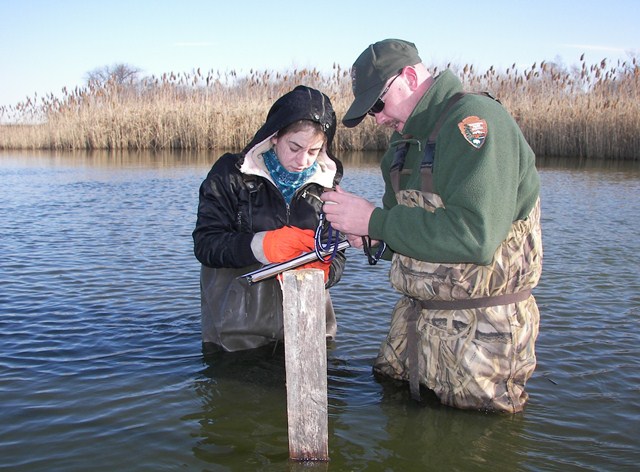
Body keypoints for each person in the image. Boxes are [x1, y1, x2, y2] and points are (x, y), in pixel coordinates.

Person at [321, 39, 543, 413]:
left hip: (481, 336)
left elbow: (476, 236)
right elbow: (403, 229)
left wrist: (375, 220)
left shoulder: (473, 122)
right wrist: (372, 236)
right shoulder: (400, 148)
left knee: (470, 446)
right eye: (369, 110)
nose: (377, 117)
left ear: (409, 76)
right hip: (414, 324)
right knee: (394, 421)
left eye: (378, 103)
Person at [193, 85, 346, 354]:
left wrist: (324, 271)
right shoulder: (230, 174)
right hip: (236, 334)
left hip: (309, 327)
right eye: (295, 147)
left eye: (313, 151)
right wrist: (260, 245)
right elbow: (206, 244)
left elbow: (339, 251)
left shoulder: (327, 186)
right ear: (274, 136)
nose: (302, 160)